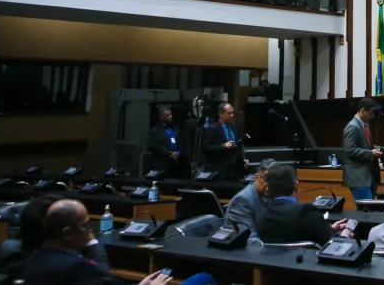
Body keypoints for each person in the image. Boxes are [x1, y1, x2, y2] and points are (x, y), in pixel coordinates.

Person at [21, 199, 215, 285]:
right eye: (86, 226)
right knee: (203, 278)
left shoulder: (33, 261)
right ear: (67, 233)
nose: (90, 232)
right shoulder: (76, 268)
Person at [256, 164, 352, 245]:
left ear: (268, 189)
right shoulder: (305, 211)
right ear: (296, 185)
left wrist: (330, 229)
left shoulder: (261, 215)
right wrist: (345, 236)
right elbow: (331, 246)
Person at [343, 97, 382, 201]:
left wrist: (380, 149)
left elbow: (366, 146)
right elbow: (350, 150)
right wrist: (371, 153)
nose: (372, 116)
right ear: (362, 111)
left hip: (369, 176)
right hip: (358, 178)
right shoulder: (352, 126)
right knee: (366, 211)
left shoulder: (365, 125)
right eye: (370, 113)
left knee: (371, 210)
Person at [224, 159, 276, 239]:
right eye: (266, 179)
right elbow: (250, 240)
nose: (270, 184)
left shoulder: (277, 194)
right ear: (256, 178)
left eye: (275, 180)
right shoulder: (242, 201)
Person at [201, 102, 248, 180]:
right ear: (221, 114)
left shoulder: (233, 127)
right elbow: (205, 147)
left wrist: (244, 158)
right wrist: (222, 146)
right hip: (220, 169)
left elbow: (239, 145)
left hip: (234, 169)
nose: (232, 115)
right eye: (229, 113)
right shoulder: (212, 129)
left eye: (233, 113)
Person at [146, 107, 189, 178]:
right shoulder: (155, 130)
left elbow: (182, 143)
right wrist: (168, 153)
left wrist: (178, 152)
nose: (171, 116)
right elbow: (153, 146)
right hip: (162, 162)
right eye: (167, 115)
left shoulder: (176, 129)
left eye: (171, 115)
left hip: (177, 163)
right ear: (161, 117)